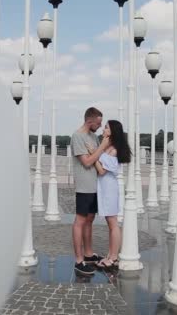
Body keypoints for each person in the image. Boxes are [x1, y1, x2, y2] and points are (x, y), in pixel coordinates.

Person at [70, 107, 110, 275]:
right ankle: (79, 260)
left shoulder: (93, 137)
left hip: (95, 185)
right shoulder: (77, 136)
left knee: (90, 219)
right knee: (80, 220)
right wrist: (101, 147)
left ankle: (88, 254)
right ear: (89, 121)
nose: (100, 127)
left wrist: (97, 150)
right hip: (84, 186)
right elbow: (87, 162)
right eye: (98, 123)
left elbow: (97, 158)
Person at [87, 120, 131, 269]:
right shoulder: (108, 147)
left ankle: (113, 258)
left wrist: (93, 155)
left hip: (110, 188)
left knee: (113, 224)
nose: (103, 129)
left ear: (112, 131)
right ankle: (111, 255)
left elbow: (101, 171)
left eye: (106, 127)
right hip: (104, 187)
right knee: (110, 223)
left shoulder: (114, 150)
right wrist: (98, 151)